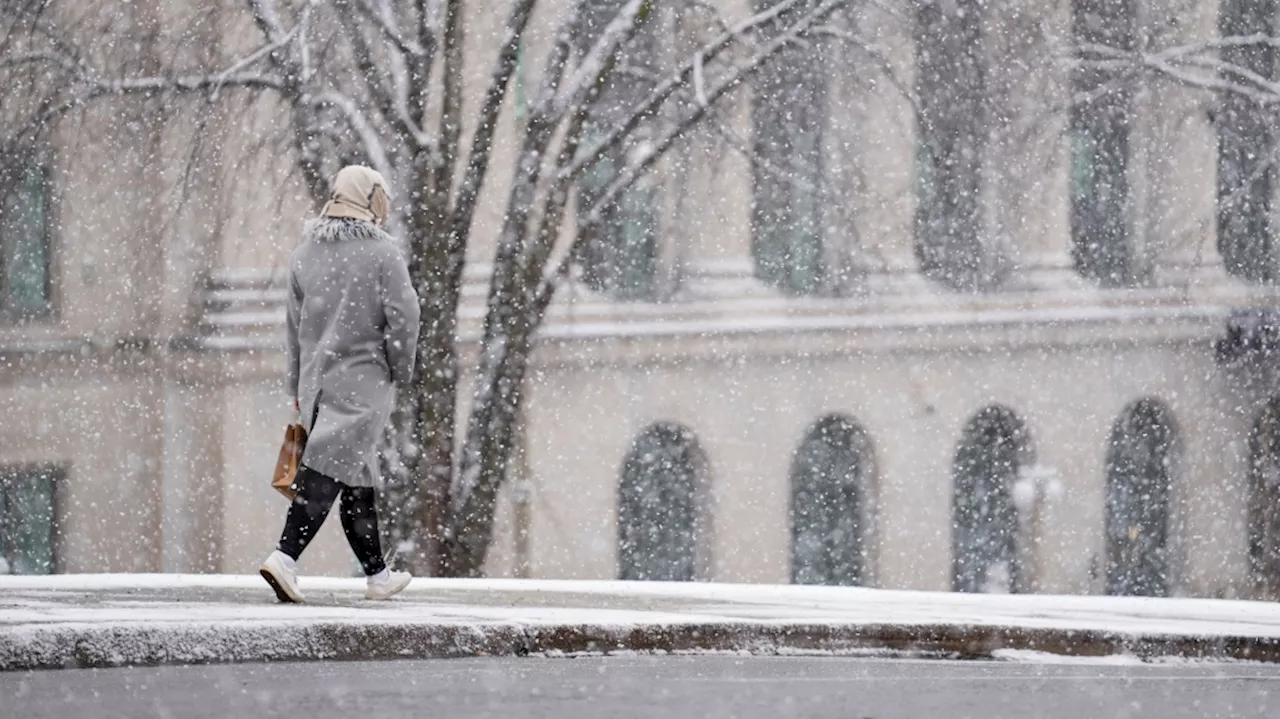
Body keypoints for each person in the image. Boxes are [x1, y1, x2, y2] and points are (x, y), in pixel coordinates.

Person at [259, 165, 420, 603]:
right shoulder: (382, 254)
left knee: (356, 477)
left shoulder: (304, 254)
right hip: (362, 384)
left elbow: (293, 329)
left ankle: (377, 575)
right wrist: (398, 367)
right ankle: (284, 558)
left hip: (317, 384)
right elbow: (406, 317)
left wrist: (296, 383)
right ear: (370, 200)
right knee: (327, 473)